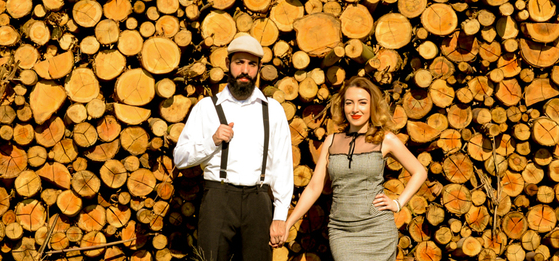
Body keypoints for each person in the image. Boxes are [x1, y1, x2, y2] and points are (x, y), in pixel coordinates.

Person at [275, 77, 427, 261]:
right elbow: (315, 187)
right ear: (343, 106)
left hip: (377, 229)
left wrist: (398, 203)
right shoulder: (331, 141)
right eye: (349, 103)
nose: (355, 109)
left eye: (362, 102)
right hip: (342, 231)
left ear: (372, 106)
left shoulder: (385, 139)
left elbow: (420, 172)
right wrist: (288, 223)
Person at [174, 34, 294, 261]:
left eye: (252, 64)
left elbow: (282, 165)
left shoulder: (273, 110)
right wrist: (212, 141)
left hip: (258, 201)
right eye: (239, 62)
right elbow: (180, 158)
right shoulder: (207, 107)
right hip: (218, 199)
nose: (245, 70)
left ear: (259, 68)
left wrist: (280, 215)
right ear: (228, 64)